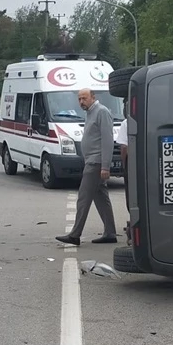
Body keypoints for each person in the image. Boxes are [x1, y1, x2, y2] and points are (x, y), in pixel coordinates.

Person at [56, 88, 118, 246]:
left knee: (83, 198)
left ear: (93, 97)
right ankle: (110, 233)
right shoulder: (90, 112)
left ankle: (75, 235)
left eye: (84, 98)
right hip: (91, 160)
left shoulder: (101, 112)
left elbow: (107, 140)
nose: (81, 102)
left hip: (96, 162)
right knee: (101, 198)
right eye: (79, 99)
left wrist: (105, 166)